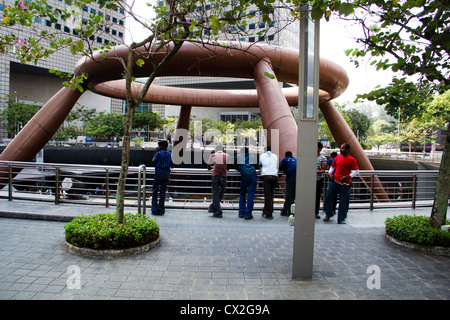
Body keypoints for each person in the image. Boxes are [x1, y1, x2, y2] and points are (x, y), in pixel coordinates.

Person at [323, 143, 359, 224]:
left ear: (347, 150)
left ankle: (341, 218)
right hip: (335, 181)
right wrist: (330, 173)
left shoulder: (352, 159)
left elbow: (356, 171)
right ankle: (329, 213)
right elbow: (332, 167)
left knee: (343, 201)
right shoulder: (337, 158)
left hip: (345, 184)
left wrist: (348, 176)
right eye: (341, 147)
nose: (340, 149)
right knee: (328, 197)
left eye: (343, 148)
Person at [235, 147, 258, 220]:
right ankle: (248, 214)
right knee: (250, 195)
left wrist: (240, 169)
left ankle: (241, 213)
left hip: (244, 176)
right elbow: (254, 165)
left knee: (242, 194)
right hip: (253, 175)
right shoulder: (252, 156)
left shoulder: (238, 156)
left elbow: (235, 165)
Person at [207, 145, 229, 218]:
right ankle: (214, 208)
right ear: (223, 149)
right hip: (223, 176)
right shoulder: (227, 155)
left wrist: (210, 168)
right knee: (221, 191)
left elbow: (208, 164)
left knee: (215, 193)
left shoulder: (213, 155)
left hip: (215, 175)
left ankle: (217, 210)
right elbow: (228, 165)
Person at [151, 140, 173, 215]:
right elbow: (172, 164)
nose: (158, 147)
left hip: (158, 173)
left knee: (154, 191)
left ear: (162, 146)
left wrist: (155, 152)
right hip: (166, 174)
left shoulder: (159, 153)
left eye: (159, 146)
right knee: (162, 192)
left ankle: (154, 209)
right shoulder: (170, 154)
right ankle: (161, 209)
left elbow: (153, 161)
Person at [259, 145, 278, 219]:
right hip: (274, 176)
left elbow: (260, 165)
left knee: (267, 195)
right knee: (271, 194)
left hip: (266, 175)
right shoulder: (275, 156)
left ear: (264, 150)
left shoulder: (262, 155)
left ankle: (268, 213)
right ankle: (267, 209)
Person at [279, 151, 297, 217]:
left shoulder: (285, 159)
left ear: (285, 155)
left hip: (290, 178)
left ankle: (289, 211)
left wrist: (284, 170)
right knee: (293, 195)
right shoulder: (295, 159)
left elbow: (280, 167)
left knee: (289, 195)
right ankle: (285, 209)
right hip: (298, 178)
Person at [316, 142, 328, 219]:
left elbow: (323, 170)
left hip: (318, 179)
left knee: (317, 196)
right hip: (309, 180)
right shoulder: (309, 157)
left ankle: (315, 212)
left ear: (319, 148)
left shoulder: (323, 158)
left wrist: (315, 171)